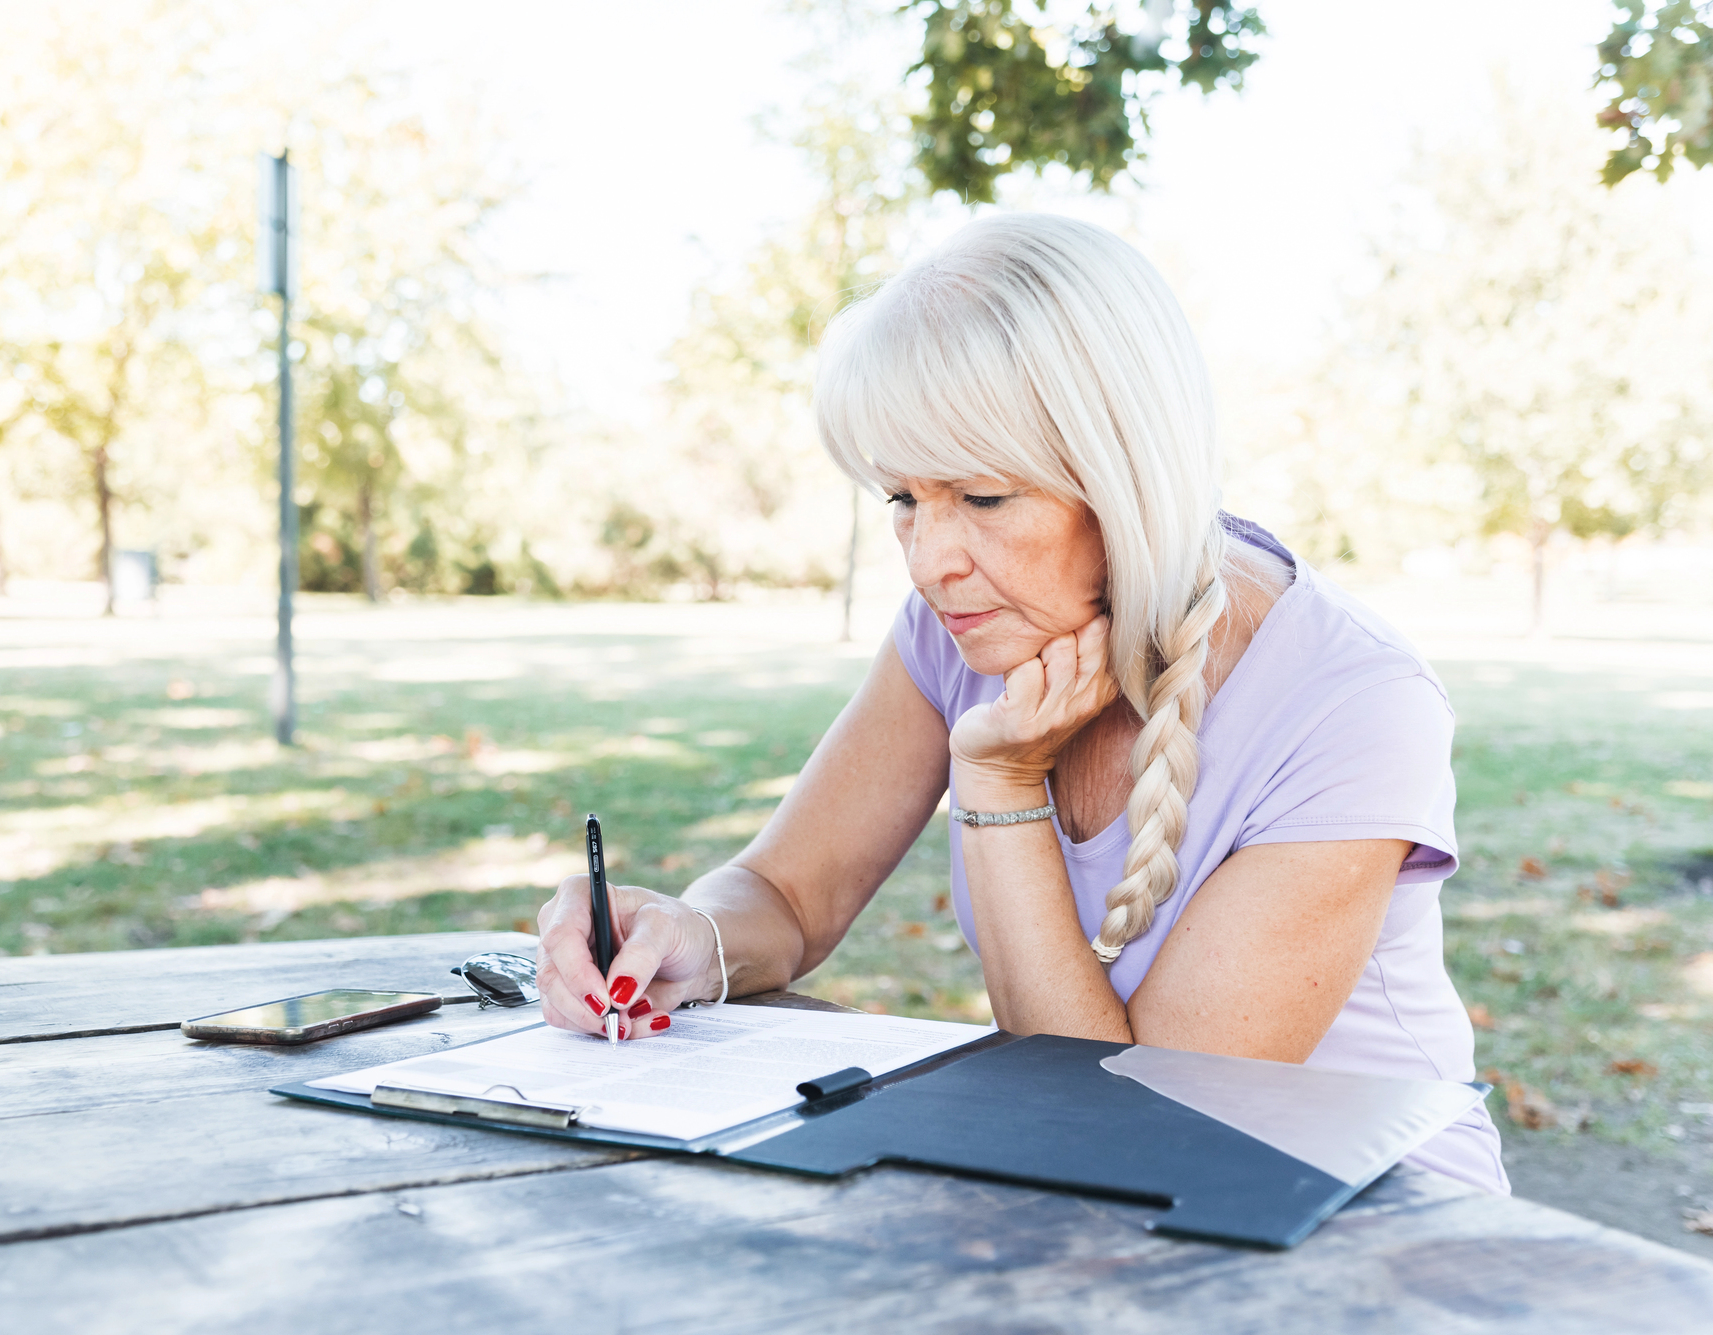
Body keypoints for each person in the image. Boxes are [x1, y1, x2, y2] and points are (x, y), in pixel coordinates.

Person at [533, 213, 1506, 1193]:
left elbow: (1126, 1120)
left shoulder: (1351, 703)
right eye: (901, 499)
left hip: (1362, 1221)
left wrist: (998, 782)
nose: (927, 563)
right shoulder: (959, 627)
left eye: (982, 498)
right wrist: (684, 940)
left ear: (1123, 474)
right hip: (1093, 1210)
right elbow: (788, 897)